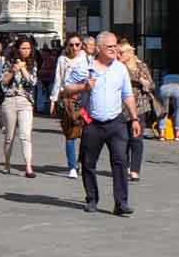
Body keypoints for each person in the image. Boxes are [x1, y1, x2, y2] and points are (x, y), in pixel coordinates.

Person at [65, 31, 140, 216]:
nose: (115, 50)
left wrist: (135, 118)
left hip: (116, 123)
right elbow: (67, 87)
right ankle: (91, 199)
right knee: (88, 162)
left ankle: (121, 203)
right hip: (93, 123)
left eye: (116, 46)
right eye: (110, 47)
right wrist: (84, 86)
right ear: (99, 49)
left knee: (121, 161)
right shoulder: (85, 67)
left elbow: (127, 95)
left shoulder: (120, 69)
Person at [117, 39, 155, 183]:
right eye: (118, 52)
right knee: (123, 140)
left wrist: (144, 82)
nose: (118, 54)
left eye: (121, 52)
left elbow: (151, 85)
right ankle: (125, 166)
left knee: (136, 140)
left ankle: (135, 170)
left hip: (139, 107)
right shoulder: (116, 67)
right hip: (120, 108)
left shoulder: (141, 66)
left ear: (129, 53)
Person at [0, 38, 38, 178]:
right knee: (9, 136)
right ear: (17, 49)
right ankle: (7, 163)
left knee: (25, 135)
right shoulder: (9, 63)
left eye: (28, 48)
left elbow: (33, 81)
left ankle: (28, 167)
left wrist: (23, 68)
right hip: (10, 100)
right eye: (23, 48)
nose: (26, 51)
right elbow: (3, 82)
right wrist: (13, 70)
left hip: (25, 101)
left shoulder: (32, 64)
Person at [50, 35, 85, 178]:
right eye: (71, 45)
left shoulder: (87, 59)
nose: (74, 48)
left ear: (81, 45)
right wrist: (53, 99)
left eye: (77, 44)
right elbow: (58, 79)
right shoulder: (62, 59)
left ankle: (82, 162)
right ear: (66, 46)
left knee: (86, 135)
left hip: (84, 100)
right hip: (68, 101)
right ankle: (72, 166)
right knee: (70, 134)